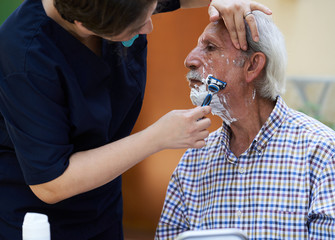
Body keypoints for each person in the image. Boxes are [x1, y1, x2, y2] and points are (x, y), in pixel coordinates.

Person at [0, 0, 273, 239]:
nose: (149, 27)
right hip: (39, 221)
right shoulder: (26, 61)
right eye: (136, 27)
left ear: (254, 65)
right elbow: (51, 182)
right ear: (86, 26)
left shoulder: (311, 149)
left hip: (104, 207)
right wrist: (157, 137)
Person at [156, 11, 335, 239]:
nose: (190, 59)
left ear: (253, 66)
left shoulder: (324, 153)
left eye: (210, 48)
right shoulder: (193, 161)